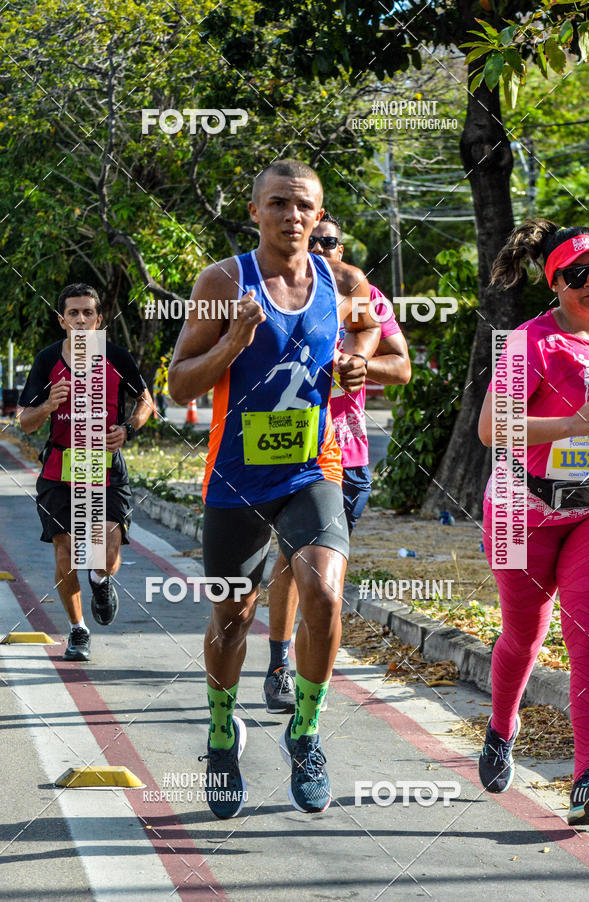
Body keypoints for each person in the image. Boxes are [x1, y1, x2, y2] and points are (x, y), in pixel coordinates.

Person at [168, 159, 380, 818]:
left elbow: (369, 332)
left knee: (324, 593)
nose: (293, 216)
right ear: (255, 211)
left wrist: (356, 363)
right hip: (235, 478)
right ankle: (221, 734)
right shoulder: (223, 281)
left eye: (304, 205)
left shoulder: (343, 281)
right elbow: (179, 382)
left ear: (319, 215)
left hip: (312, 469)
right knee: (231, 619)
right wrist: (233, 341)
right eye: (280, 203)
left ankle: (306, 734)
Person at [263, 212, 411, 715]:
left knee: (325, 576)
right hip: (291, 449)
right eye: (312, 241)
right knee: (292, 560)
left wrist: (360, 364)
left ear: (341, 250)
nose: (320, 250)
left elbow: (402, 366)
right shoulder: (276, 295)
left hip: (348, 456)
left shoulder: (366, 299)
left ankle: (309, 675)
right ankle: (279, 666)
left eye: (328, 242)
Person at [478, 218, 589, 827]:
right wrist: (572, 425)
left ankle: (588, 775)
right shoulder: (531, 343)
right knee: (523, 636)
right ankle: (502, 727)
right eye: (578, 274)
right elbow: (489, 429)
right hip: (518, 509)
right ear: (555, 283)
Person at [18, 284, 153, 661]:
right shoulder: (47, 360)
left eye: (87, 313)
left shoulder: (117, 357)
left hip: (105, 467)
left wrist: (128, 428)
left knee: (105, 552)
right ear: (62, 321)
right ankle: (78, 629)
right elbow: (25, 421)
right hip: (60, 468)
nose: (80, 320)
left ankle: (100, 578)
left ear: (99, 319)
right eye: (73, 313)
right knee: (66, 552)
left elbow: (146, 401)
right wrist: (48, 405)